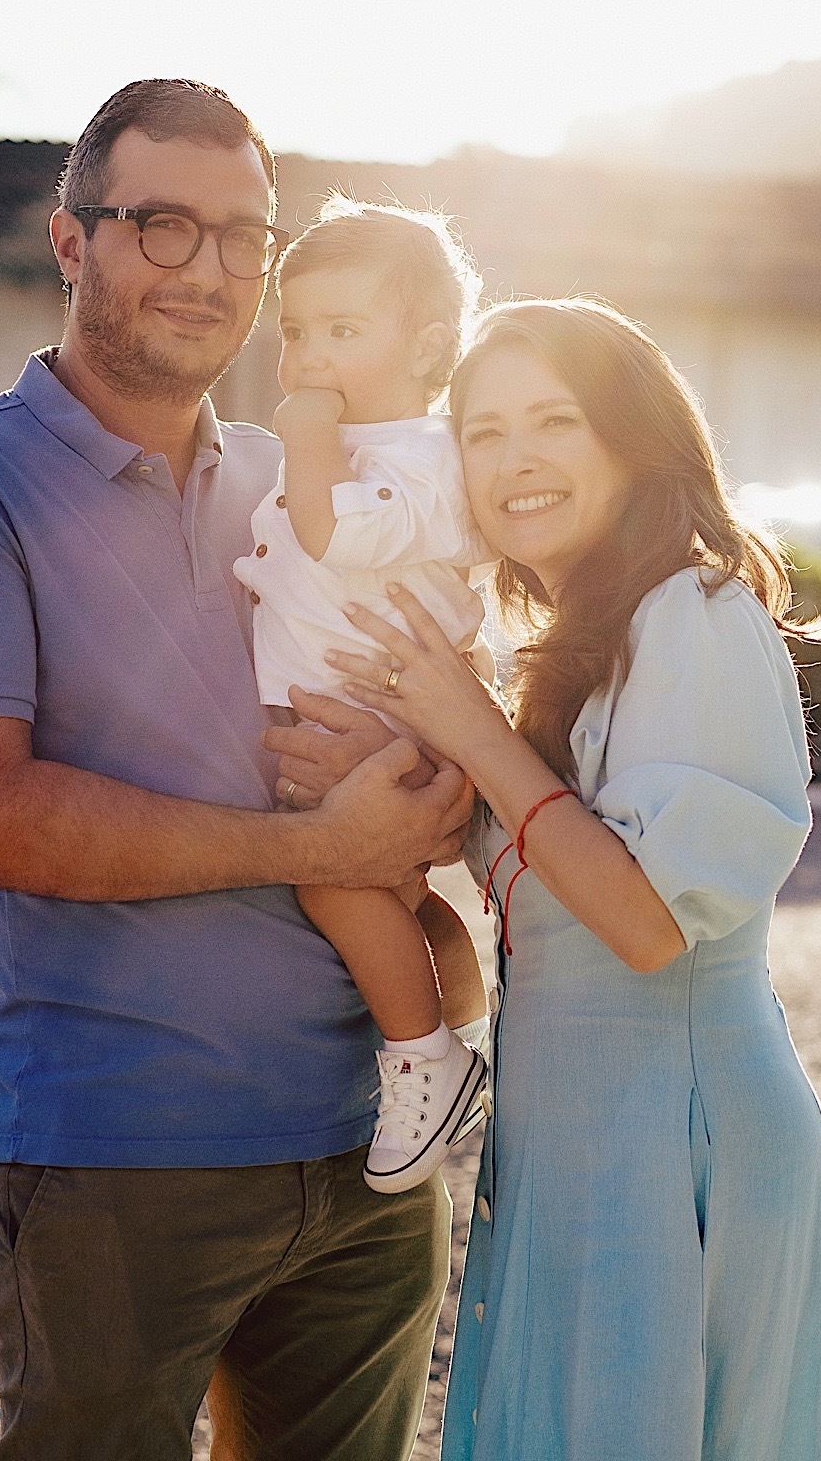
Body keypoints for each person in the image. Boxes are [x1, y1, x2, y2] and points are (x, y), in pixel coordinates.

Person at [0, 79, 475, 1461]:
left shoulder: (300, 482)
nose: (207, 271)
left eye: (242, 237)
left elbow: (444, 705)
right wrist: (323, 850)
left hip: (367, 1157)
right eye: (160, 225)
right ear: (71, 243)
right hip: (118, 1162)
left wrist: (442, 783)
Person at [320, 298, 821, 1460]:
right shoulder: (570, 646)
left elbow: (647, 924)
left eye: (554, 421)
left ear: (632, 439)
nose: (515, 460)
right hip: (570, 1137)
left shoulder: (693, 613)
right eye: (483, 429)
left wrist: (476, 731)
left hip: (675, 1132)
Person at [233, 198, 490, 1195]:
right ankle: (462, 1032)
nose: (309, 355)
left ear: (427, 347)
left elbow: (337, 533)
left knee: (335, 879)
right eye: (296, 331)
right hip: (355, 711)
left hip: (373, 724)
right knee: (399, 894)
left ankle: (420, 1053)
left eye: (343, 331)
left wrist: (303, 434)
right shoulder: (355, 447)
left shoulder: (424, 458)